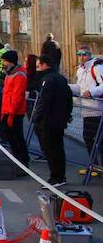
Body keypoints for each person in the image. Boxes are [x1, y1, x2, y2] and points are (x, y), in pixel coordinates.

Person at [32, 54, 73, 187]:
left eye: (38, 66)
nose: (37, 69)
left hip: (49, 121)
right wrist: (67, 114)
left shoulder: (48, 80)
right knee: (58, 148)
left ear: (44, 65)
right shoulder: (60, 78)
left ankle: (56, 177)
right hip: (58, 119)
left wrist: (36, 117)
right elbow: (69, 98)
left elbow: (44, 101)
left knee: (52, 150)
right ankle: (59, 176)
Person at [70, 46, 103, 177]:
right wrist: (66, 87)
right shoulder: (80, 70)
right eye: (80, 54)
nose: (82, 57)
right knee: (89, 138)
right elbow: (80, 87)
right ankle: (94, 166)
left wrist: (92, 92)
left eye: (85, 54)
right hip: (86, 109)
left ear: (89, 55)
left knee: (94, 139)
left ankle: (97, 166)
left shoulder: (97, 67)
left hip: (97, 109)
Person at [0, 50, 29, 167]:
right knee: (12, 138)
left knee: (17, 138)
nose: (3, 63)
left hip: (15, 112)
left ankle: (22, 161)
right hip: (7, 110)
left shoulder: (19, 75)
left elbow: (17, 96)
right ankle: (18, 160)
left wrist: (11, 114)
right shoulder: (10, 73)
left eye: (5, 61)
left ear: (11, 62)